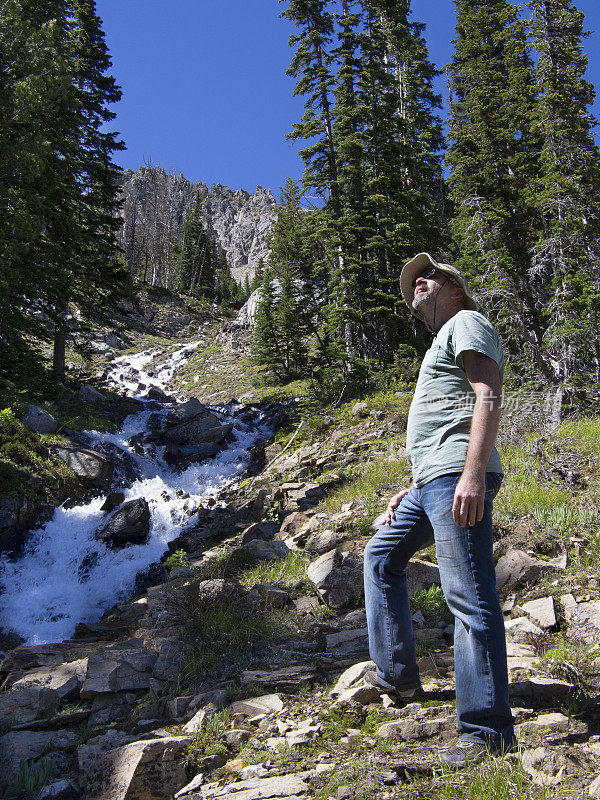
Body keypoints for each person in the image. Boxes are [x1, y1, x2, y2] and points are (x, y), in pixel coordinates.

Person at [363, 252, 515, 768]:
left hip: (457, 476)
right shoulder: (438, 343)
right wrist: (413, 486)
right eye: (412, 283)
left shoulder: (467, 321)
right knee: (381, 557)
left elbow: (487, 393)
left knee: (469, 594)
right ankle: (396, 677)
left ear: (455, 288)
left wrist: (472, 475)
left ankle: (486, 732)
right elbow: (442, 419)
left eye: (429, 276)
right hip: (432, 481)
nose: (417, 284)